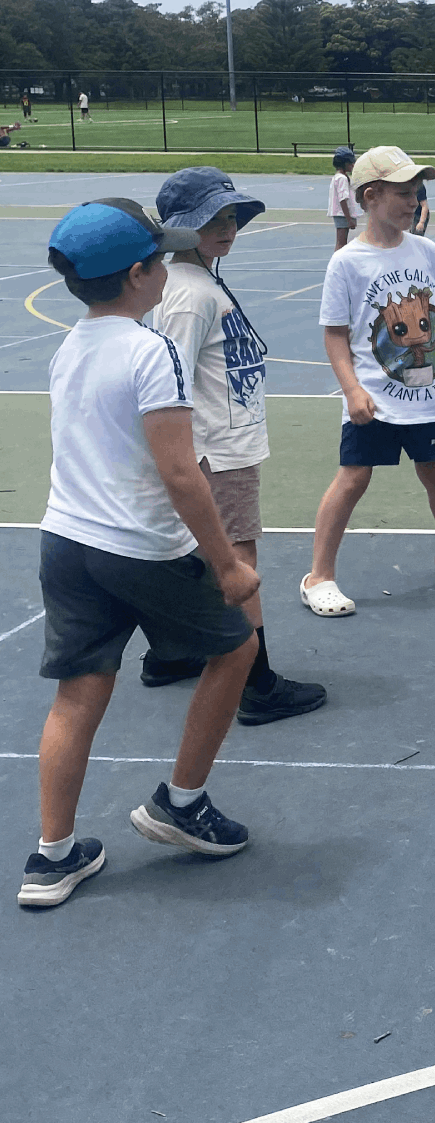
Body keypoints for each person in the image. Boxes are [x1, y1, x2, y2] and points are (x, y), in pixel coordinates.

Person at [19, 199, 261, 910]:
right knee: (238, 646)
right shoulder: (149, 350)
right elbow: (180, 473)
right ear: (138, 274)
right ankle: (181, 803)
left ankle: (52, 855)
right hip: (140, 547)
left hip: (66, 540)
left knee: (80, 691)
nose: (167, 269)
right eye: (160, 259)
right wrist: (226, 564)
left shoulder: (71, 344)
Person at [147, 166, 327, 725]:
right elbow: (167, 380)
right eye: (211, 220)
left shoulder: (202, 282)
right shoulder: (190, 295)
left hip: (226, 442)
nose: (226, 229)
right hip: (217, 450)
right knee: (237, 558)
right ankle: (256, 681)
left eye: (230, 218)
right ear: (182, 229)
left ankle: (172, 652)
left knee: (196, 557)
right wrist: (189, 458)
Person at [302, 147, 435, 617]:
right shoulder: (347, 263)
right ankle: (320, 576)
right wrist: (352, 390)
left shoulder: (429, 253)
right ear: (371, 196)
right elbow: (335, 337)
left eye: (417, 193)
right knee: (354, 477)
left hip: (427, 394)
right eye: (403, 193)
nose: (413, 202)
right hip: (374, 399)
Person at [329, 147, 359, 250]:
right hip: (342, 214)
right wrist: (349, 218)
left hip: (342, 213)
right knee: (341, 243)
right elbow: (343, 199)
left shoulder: (340, 177)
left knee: (342, 241)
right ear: (344, 164)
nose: (353, 165)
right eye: (350, 163)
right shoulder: (341, 179)